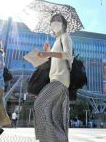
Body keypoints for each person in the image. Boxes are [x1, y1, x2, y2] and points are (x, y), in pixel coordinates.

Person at [35, 14, 73, 142]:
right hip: (55, 79)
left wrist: (49, 53)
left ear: (63, 24)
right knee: (54, 115)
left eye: (58, 20)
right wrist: (47, 53)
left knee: (40, 104)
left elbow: (68, 55)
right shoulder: (57, 40)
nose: (54, 23)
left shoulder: (65, 36)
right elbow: (56, 61)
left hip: (61, 80)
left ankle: (46, 139)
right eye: (52, 21)